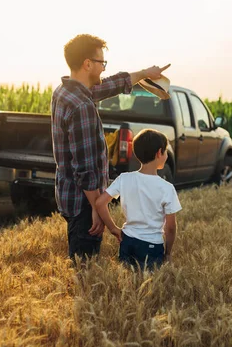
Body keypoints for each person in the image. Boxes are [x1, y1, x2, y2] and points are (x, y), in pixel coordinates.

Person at [51, 33, 170, 262]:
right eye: (101, 63)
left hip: (70, 197)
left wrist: (146, 73)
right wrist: (97, 208)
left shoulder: (65, 91)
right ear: (87, 64)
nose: (104, 69)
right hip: (85, 203)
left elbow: (112, 84)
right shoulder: (82, 106)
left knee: (80, 264)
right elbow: (84, 168)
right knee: (86, 271)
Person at [95, 129, 182, 270]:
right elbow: (171, 227)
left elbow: (100, 203)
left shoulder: (124, 178)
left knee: (127, 283)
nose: (166, 155)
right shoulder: (167, 188)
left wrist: (113, 229)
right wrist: (168, 253)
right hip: (152, 245)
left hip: (127, 240)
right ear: (159, 153)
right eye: (165, 152)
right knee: (149, 287)